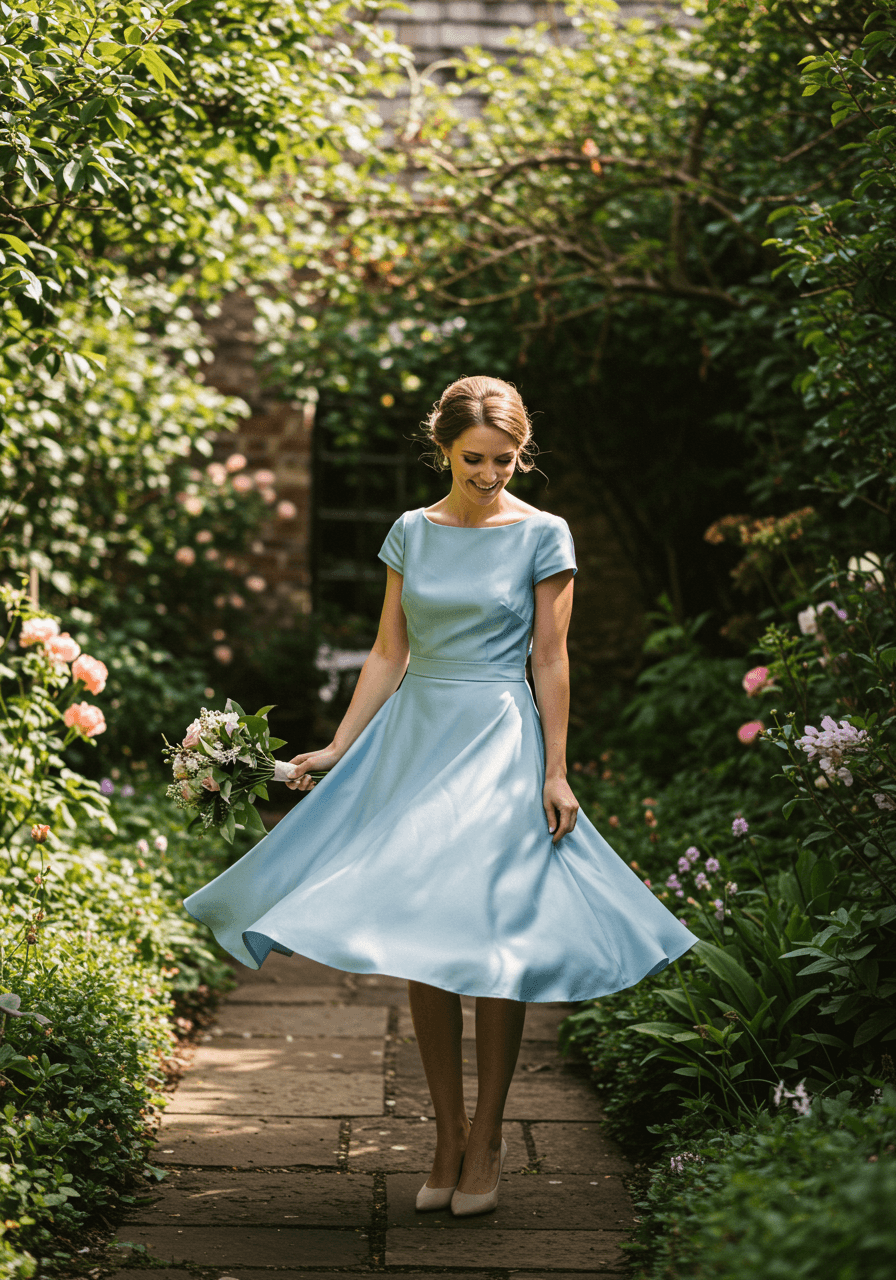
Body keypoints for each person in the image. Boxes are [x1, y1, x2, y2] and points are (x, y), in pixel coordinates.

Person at [183, 375, 698, 1218]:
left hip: (499, 735)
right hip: (416, 735)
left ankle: (490, 1136)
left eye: (504, 459)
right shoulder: (409, 533)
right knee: (423, 931)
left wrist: (557, 769)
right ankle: (447, 1133)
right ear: (444, 450)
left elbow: (551, 660)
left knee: (491, 933)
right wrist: (341, 747)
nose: (491, 473)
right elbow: (388, 652)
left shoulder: (545, 533)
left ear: (520, 453)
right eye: (473, 460)